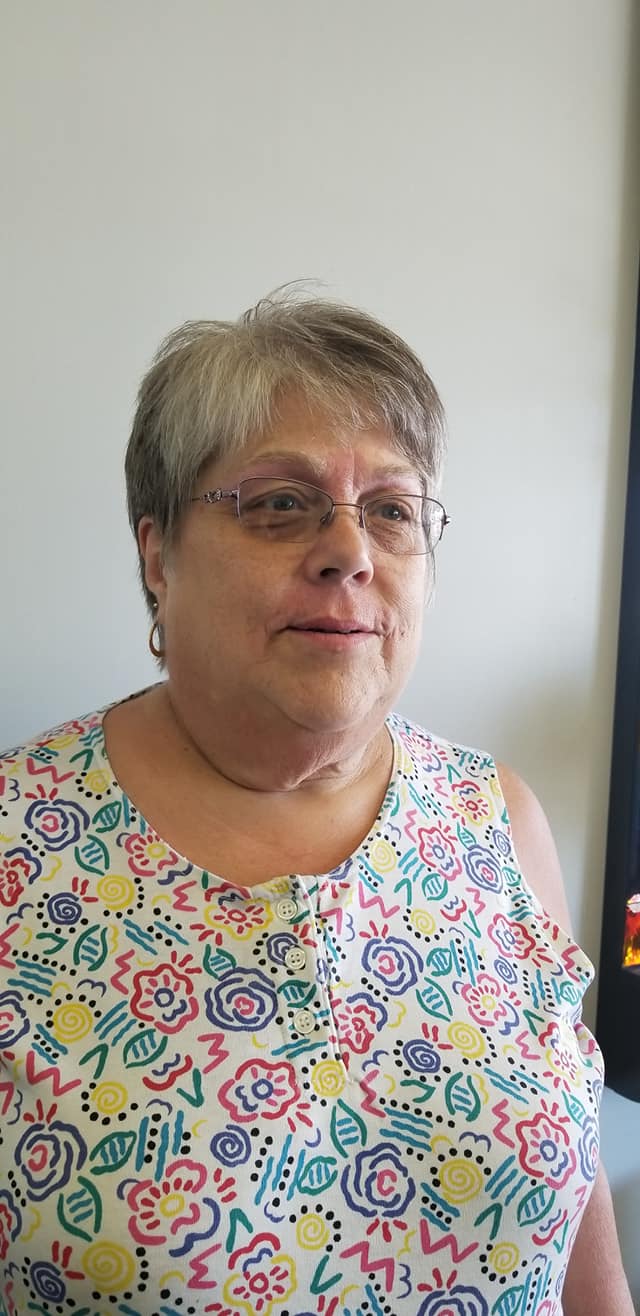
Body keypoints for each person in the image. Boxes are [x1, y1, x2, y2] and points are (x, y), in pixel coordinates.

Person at [0, 289, 632, 1316]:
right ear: (157, 555)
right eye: (280, 503)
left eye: (392, 508)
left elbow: (580, 1240)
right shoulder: (17, 841)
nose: (352, 551)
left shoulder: (498, 820)